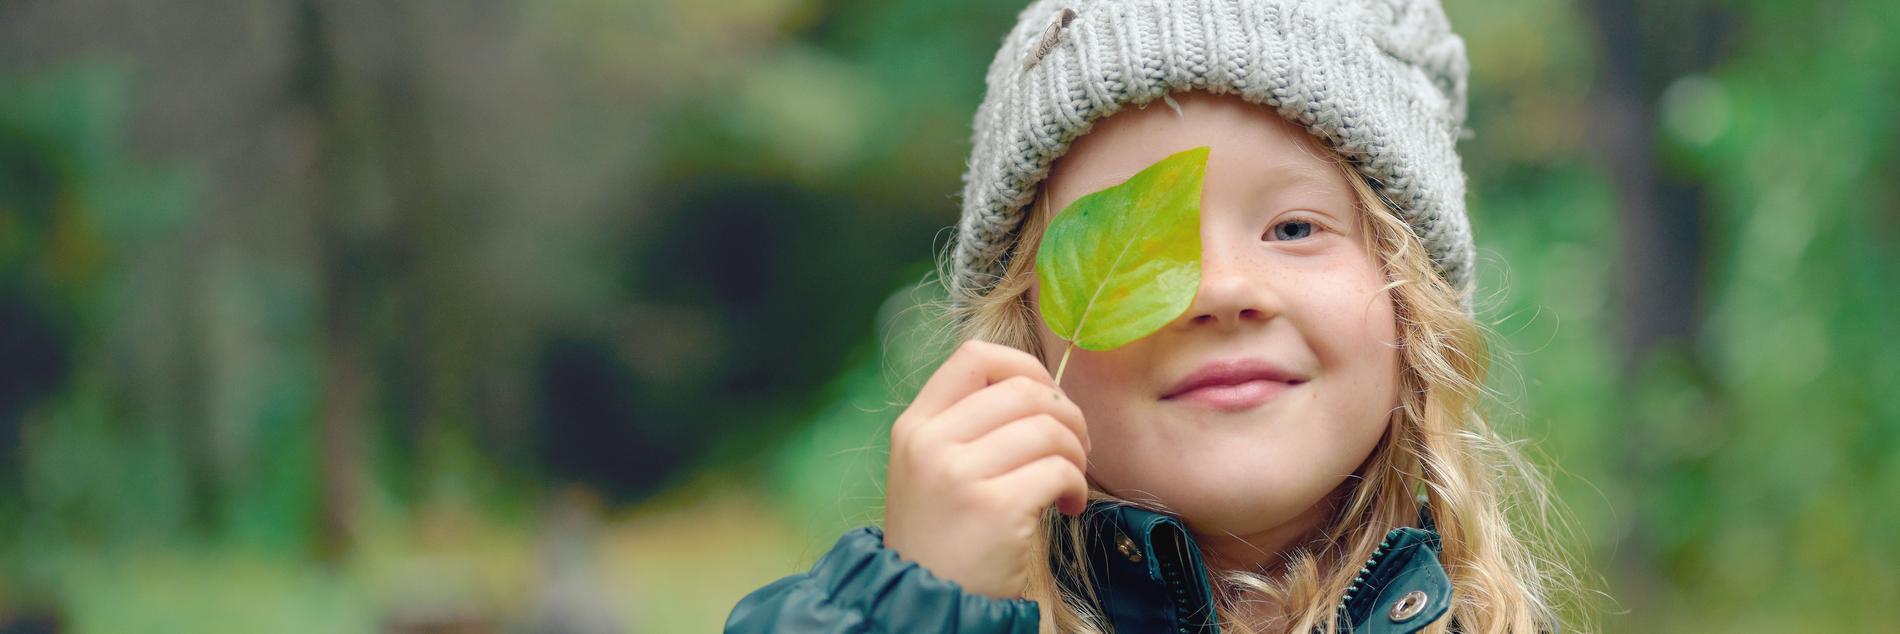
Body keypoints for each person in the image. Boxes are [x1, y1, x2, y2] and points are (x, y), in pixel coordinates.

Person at [727, 0, 1572, 631]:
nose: (1218, 288)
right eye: (1132, 246)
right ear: (1025, 328)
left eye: (1294, 228)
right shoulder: (884, 609)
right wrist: (917, 604)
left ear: (1412, 313)